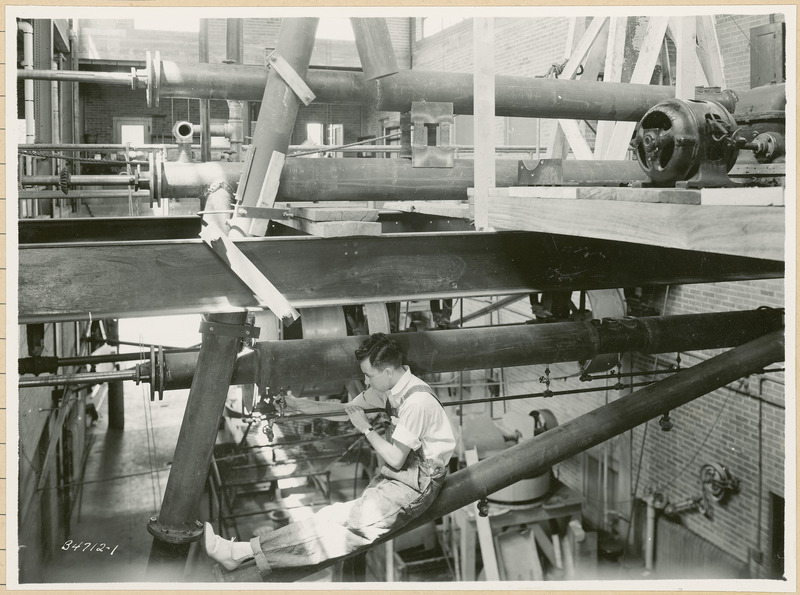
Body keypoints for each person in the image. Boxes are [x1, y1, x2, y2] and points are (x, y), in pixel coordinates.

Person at [203, 332, 456, 578]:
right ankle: (244, 552)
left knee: (342, 527)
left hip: (417, 485)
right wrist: (295, 404)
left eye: (368, 375)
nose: (366, 382)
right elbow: (345, 410)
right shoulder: (388, 391)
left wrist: (366, 429)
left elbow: (395, 458)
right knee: (332, 517)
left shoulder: (417, 402)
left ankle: (243, 552)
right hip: (399, 477)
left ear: (388, 371)